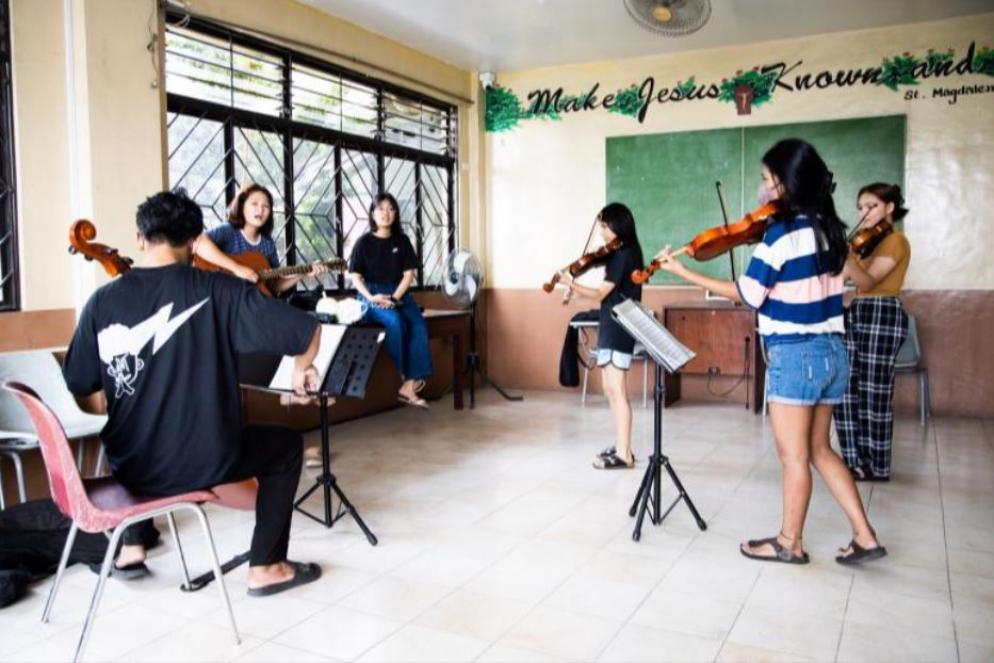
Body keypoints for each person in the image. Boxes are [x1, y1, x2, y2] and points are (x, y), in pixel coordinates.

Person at [63, 189, 325, 596]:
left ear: (139, 238)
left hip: (131, 467)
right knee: (287, 447)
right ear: (195, 240)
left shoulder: (102, 302)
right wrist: (300, 369)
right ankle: (267, 566)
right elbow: (307, 330)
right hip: (205, 462)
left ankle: (131, 550)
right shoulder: (221, 291)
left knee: (137, 432)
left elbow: (80, 382)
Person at [652, 139, 886, 565]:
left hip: (796, 354)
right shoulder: (829, 231)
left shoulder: (781, 234)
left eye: (765, 180)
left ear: (785, 184)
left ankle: (788, 542)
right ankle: (865, 536)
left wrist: (682, 270)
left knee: (793, 456)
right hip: (833, 352)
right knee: (819, 450)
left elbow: (749, 294)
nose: (761, 191)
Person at [557, 203, 644, 470]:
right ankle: (621, 445)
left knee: (617, 390)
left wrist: (571, 283)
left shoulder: (624, 254)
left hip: (620, 325)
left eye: (605, 227)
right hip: (610, 322)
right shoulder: (618, 252)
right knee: (609, 389)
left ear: (618, 225)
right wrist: (574, 287)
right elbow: (598, 292)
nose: (603, 234)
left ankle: (625, 454)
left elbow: (598, 294)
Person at [835, 183, 911, 482]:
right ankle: (853, 461)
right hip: (858, 311)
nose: (863, 212)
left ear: (889, 207)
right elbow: (848, 280)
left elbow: (867, 282)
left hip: (883, 313)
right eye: (860, 207)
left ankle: (876, 466)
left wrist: (849, 260)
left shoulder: (896, 241)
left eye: (871, 206)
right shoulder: (865, 243)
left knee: (874, 393)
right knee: (845, 389)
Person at [348, 193, 433, 408]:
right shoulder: (363, 242)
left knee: (419, 326)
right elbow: (355, 277)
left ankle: (409, 385)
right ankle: (405, 375)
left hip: (399, 293)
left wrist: (395, 297)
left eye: (391, 209)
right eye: (380, 209)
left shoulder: (402, 241)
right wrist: (371, 297)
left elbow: (408, 275)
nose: (386, 213)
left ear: (396, 213)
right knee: (395, 322)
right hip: (371, 294)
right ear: (373, 213)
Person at [193, 183, 328, 294]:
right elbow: (198, 242)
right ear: (242, 207)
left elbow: (274, 287)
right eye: (254, 204)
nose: (261, 210)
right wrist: (237, 268)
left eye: (266, 206)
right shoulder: (228, 231)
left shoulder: (268, 244)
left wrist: (303, 273)